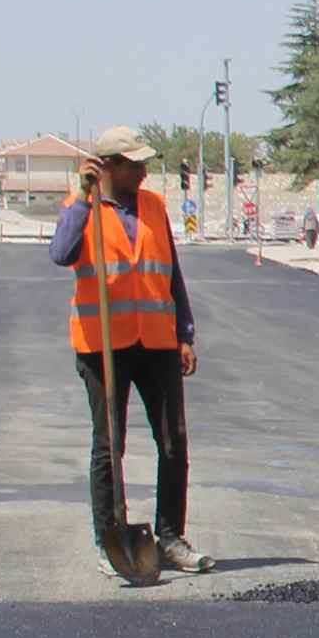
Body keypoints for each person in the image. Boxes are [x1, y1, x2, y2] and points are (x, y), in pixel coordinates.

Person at [51, 126, 207, 580]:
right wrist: (84, 198)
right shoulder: (80, 209)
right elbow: (61, 254)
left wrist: (185, 334)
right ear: (108, 166)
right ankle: (110, 539)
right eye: (134, 164)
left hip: (156, 341)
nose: (143, 171)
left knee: (173, 441)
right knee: (109, 445)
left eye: (143, 163)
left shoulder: (155, 207)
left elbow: (171, 274)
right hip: (103, 345)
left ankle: (170, 537)